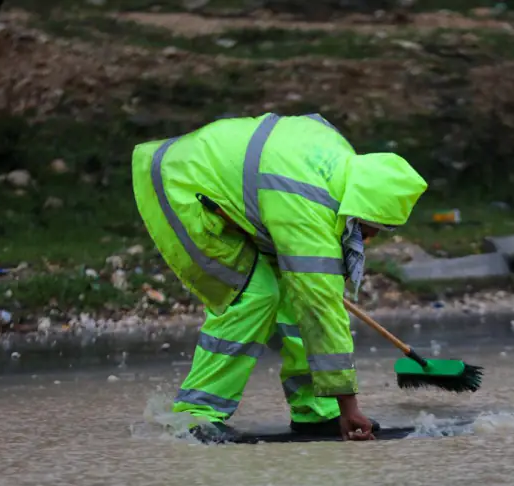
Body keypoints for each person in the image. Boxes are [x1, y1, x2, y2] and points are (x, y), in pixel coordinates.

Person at [131, 112, 428, 443]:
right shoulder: (309, 206)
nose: (370, 237)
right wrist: (350, 408)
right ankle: (195, 414)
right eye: (373, 228)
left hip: (233, 191)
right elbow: (321, 311)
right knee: (255, 294)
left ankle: (315, 411)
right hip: (181, 185)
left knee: (294, 295)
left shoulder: (340, 167)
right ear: (363, 209)